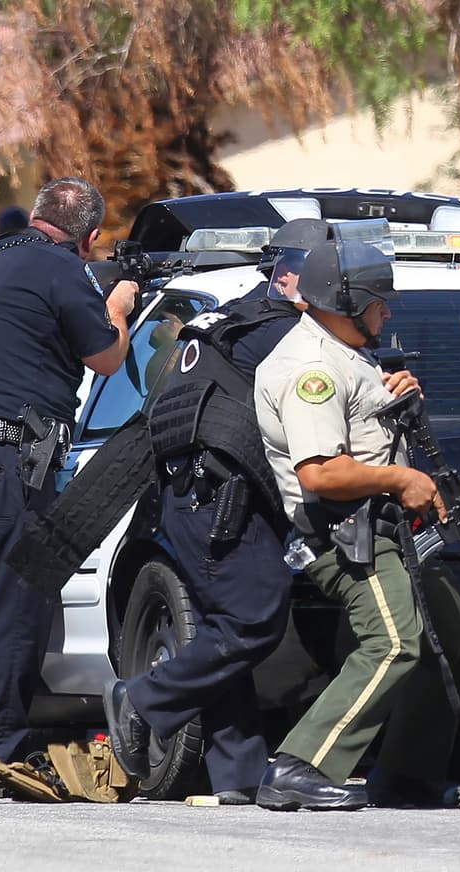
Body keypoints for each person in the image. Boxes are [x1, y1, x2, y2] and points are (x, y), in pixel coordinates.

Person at [251, 238, 460, 811]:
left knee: (452, 627)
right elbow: (320, 473)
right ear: (345, 300)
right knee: (394, 641)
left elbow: (362, 429)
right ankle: (298, 766)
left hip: (383, 530)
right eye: (380, 301)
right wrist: (403, 481)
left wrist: (394, 393)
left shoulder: (343, 352)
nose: (388, 311)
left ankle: (408, 777)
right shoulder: (312, 368)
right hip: (345, 535)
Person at [104, 219, 328, 805]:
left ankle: (238, 774)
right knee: (252, 619)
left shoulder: (225, 318)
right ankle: (144, 699)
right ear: (287, 276)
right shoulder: (281, 333)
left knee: (223, 625)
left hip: (190, 495)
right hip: (224, 500)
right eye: (322, 276)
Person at [0, 177, 138, 763]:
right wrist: (117, 305)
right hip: (5, 461)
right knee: (13, 602)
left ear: (38, 215)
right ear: (89, 237)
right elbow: (108, 357)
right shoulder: (61, 269)